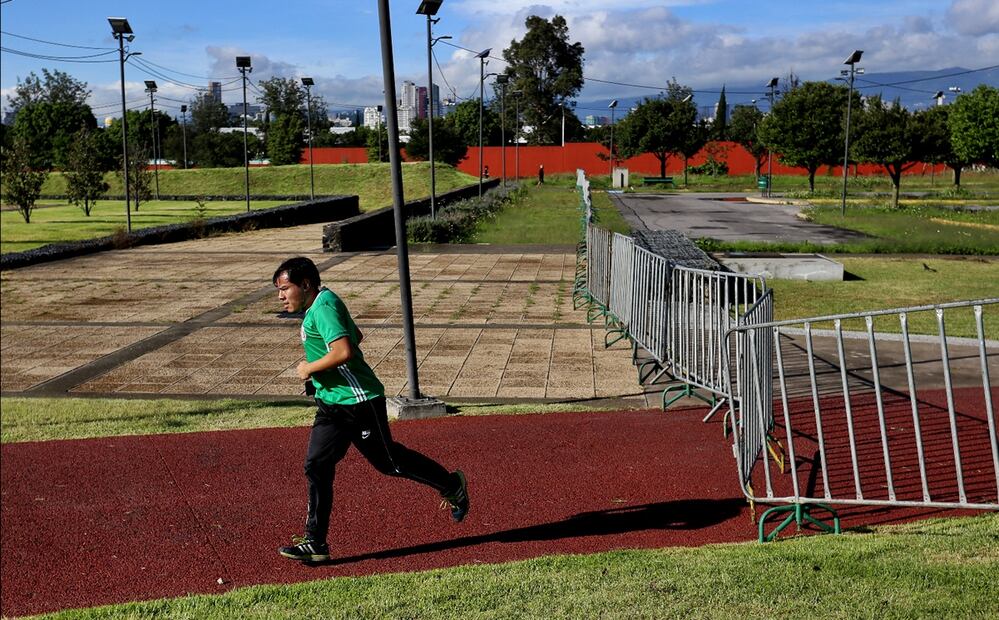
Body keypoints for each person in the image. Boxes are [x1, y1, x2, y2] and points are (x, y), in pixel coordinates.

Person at [273, 256, 469, 562]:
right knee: (316, 465)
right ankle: (316, 542)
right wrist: (322, 377)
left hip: (360, 402)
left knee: (390, 463)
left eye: (285, 289)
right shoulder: (322, 304)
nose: (281, 296)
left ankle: (452, 485)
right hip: (332, 404)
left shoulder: (322, 308)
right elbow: (356, 336)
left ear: (306, 285)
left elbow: (344, 350)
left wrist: (309, 368)